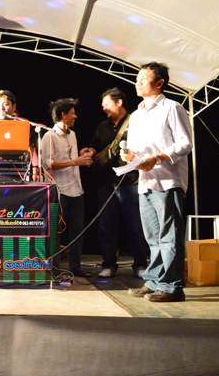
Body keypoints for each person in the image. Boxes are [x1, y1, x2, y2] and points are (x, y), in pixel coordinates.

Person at [125, 62, 192, 302]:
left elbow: (185, 143)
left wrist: (158, 157)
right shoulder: (136, 114)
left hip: (168, 181)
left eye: (144, 78)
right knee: (153, 237)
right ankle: (154, 281)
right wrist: (130, 157)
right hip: (145, 181)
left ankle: (172, 287)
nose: (138, 82)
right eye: (137, 78)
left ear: (160, 83)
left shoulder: (172, 108)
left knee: (169, 237)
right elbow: (134, 148)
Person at [82, 87, 149, 279]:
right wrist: (90, 151)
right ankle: (108, 264)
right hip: (106, 183)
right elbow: (95, 147)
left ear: (119, 102)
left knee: (135, 225)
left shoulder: (136, 122)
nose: (103, 108)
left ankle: (140, 264)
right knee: (107, 225)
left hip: (131, 181)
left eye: (106, 104)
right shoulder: (101, 126)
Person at [40, 98, 92, 277]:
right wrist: (75, 161)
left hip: (76, 189)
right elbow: (47, 164)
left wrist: (82, 156)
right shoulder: (49, 136)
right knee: (56, 232)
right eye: (72, 113)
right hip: (59, 190)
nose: (75, 116)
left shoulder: (73, 134)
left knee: (77, 231)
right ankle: (54, 269)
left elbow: (72, 158)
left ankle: (75, 267)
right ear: (63, 115)